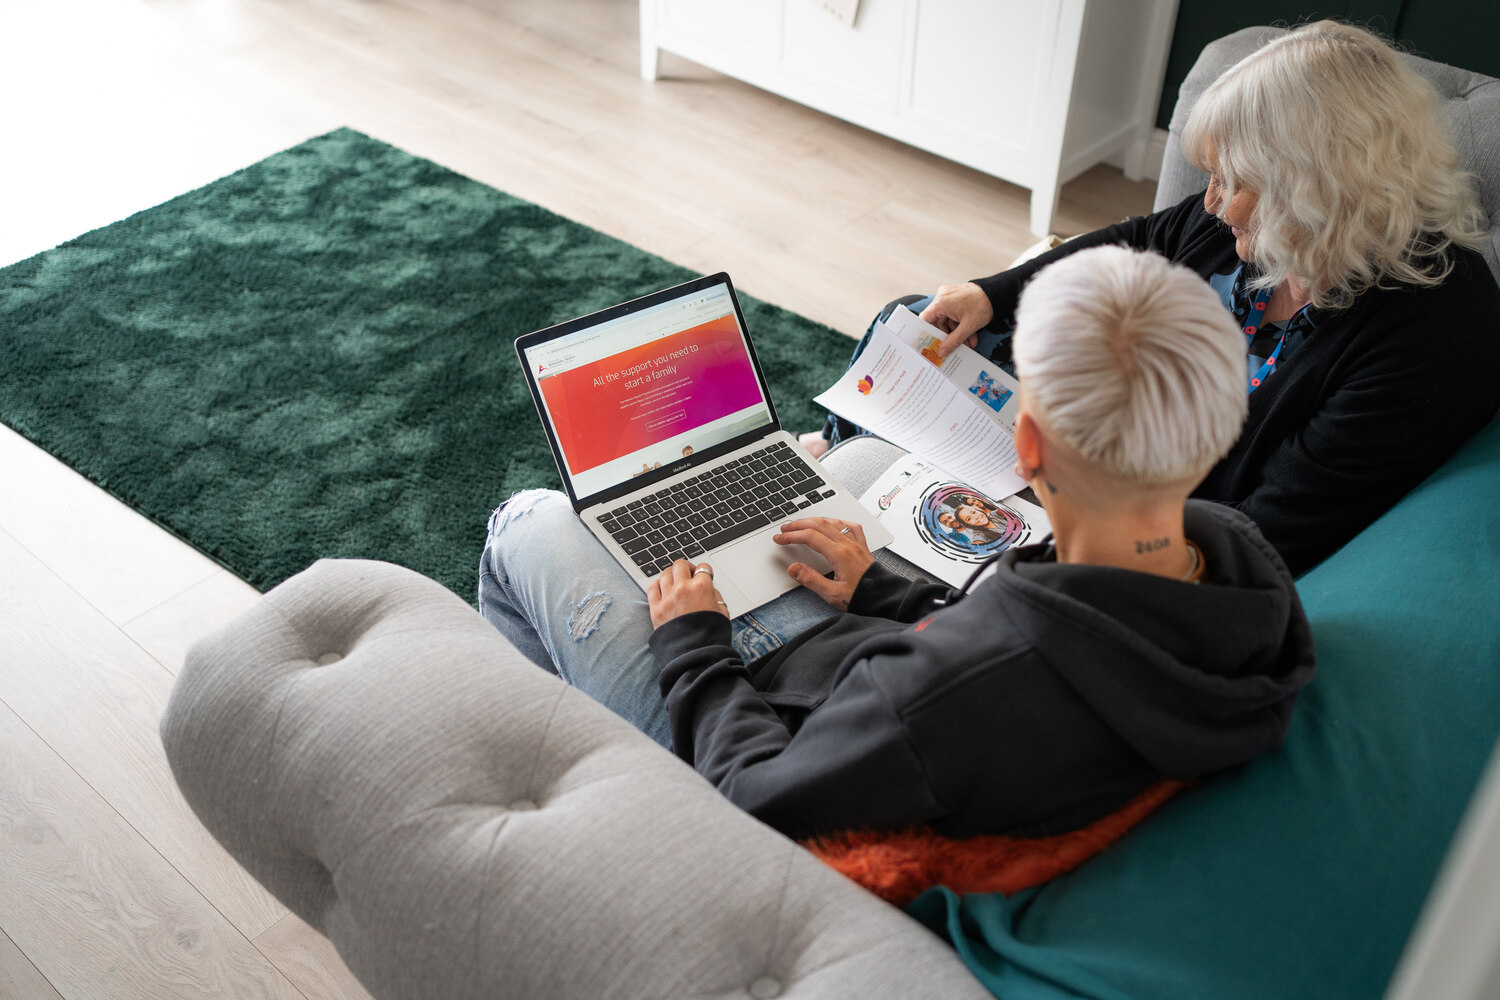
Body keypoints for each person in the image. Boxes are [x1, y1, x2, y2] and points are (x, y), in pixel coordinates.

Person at [479, 246, 1316, 842]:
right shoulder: (1246, 573)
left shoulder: (950, 692)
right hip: (873, 662)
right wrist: (884, 590)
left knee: (532, 520)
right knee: (855, 462)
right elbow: (1036, 630)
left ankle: (562, 803)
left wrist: (694, 643)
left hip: (755, 718)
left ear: (1025, 449)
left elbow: (757, 800)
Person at [807, 20, 1500, 575]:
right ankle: (838, 459)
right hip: (1103, 425)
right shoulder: (1258, 220)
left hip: (1150, 511)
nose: (1211, 201)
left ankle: (858, 480)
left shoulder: (1430, 331)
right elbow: (1140, 237)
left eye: (1232, 180)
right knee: (916, 323)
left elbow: (1267, 531)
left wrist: (1080, 500)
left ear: (1310, 188)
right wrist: (993, 294)